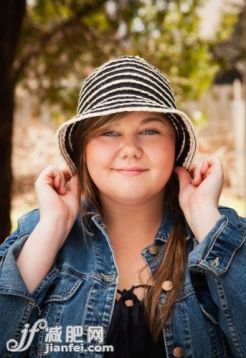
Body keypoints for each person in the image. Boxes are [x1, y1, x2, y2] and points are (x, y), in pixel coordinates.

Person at [0, 56, 245, 358]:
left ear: (175, 146)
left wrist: (205, 218)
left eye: (150, 131)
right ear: (83, 151)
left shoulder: (222, 236)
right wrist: (53, 226)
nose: (130, 149)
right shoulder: (37, 234)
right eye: (109, 132)